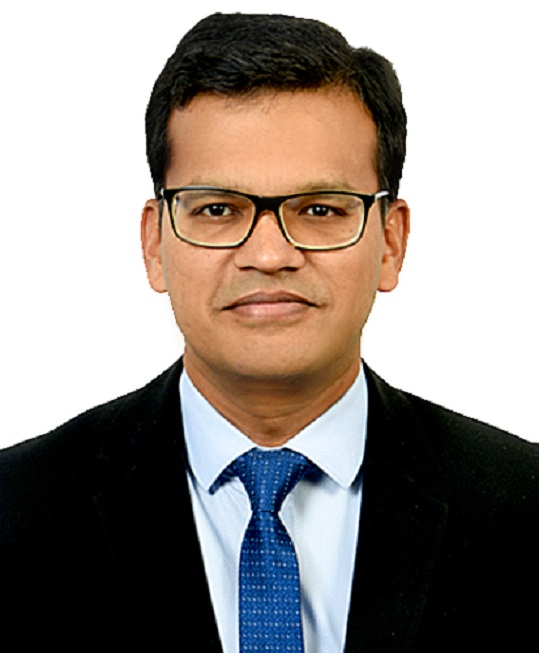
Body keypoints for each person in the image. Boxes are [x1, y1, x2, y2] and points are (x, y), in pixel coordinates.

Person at [1, 12, 537, 652]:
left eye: (320, 210)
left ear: (391, 242)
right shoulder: (16, 512)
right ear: (154, 243)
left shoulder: (523, 508)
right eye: (218, 209)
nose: (269, 254)